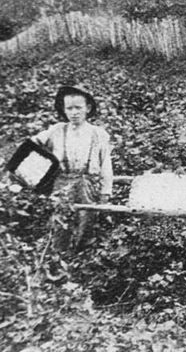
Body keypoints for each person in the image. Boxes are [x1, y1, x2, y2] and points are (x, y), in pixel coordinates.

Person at [31, 85, 113, 250]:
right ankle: (59, 253)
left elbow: (106, 164)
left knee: (87, 219)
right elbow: (33, 143)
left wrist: (106, 191)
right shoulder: (56, 130)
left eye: (78, 108)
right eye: (69, 108)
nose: (74, 112)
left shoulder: (98, 134)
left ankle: (81, 254)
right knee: (62, 218)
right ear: (64, 109)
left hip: (87, 182)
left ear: (88, 108)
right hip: (62, 181)